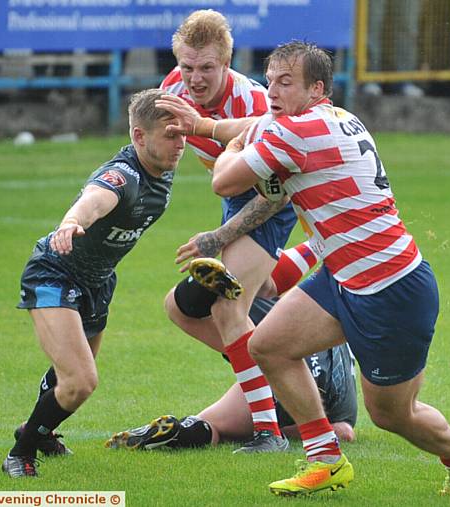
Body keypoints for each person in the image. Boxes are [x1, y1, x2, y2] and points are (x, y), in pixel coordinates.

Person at [186, 41, 450, 497]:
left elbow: (223, 181)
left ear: (316, 88)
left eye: (285, 83)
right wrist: (208, 124)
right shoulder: (333, 116)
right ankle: (325, 460)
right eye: (269, 80)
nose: (272, 90)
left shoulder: (298, 132)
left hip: (391, 289)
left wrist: (226, 146)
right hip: (345, 277)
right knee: (267, 345)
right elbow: (256, 124)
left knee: (392, 414)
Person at [2, 88, 186, 478]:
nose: (181, 143)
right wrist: (72, 222)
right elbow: (95, 198)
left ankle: (41, 430)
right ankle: (20, 453)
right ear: (139, 137)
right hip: (55, 274)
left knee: (68, 376)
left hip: (98, 283)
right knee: (81, 381)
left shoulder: (163, 166)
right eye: (171, 135)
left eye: (184, 133)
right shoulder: (125, 176)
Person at [159, 9, 298, 453]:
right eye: (187, 66)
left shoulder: (254, 106)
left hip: (274, 202)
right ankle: (267, 374)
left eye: (207, 68)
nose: (195, 79)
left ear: (227, 63)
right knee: (179, 307)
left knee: (225, 304)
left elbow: (276, 197)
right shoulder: (172, 91)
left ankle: (269, 432)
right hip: (235, 196)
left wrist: (219, 238)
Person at [105, 296, 357, 450]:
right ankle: (305, 428)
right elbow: (347, 430)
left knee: (210, 426)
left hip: (282, 373)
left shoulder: (273, 306)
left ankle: (187, 429)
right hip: (338, 399)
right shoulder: (337, 318)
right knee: (342, 429)